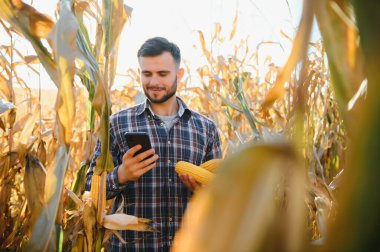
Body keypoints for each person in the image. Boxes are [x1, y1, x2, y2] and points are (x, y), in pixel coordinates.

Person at [86, 37, 222, 251]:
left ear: (179, 75)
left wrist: (203, 191)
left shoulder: (206, 128)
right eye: (146, 74)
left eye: (163, 74)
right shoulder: (117, 124)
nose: (153, 82)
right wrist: (121, 175)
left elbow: (221, 197)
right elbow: (88, 190)